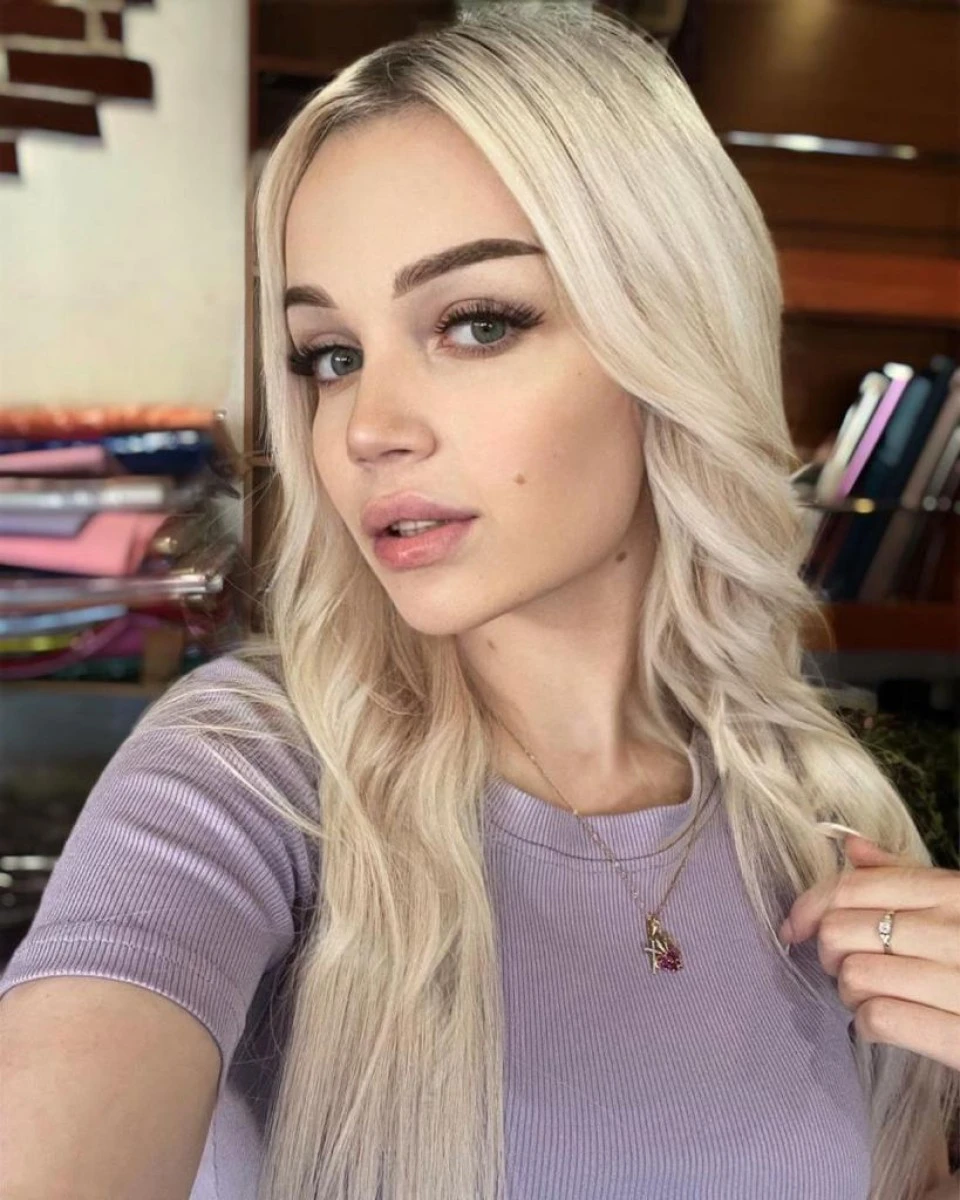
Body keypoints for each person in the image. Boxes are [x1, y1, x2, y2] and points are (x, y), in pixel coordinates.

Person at [1, 7, 957, 1200]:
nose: (366, 428)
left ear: (673, 340)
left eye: (476, 323)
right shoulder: (247, 775)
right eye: (329, 354)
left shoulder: (830, 824)